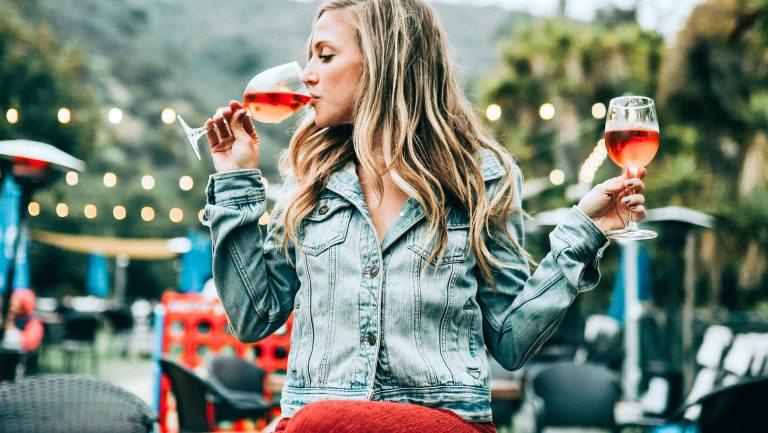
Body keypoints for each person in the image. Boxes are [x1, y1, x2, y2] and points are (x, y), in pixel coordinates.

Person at [202, 1, 646, 431]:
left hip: (438, 422)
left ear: (384, 62)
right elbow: (252, 317)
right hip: (318, 421)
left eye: (326, 55)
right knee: (316, 421)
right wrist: (235, 178)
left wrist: (582, 236)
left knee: (319, 421)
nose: (308, 76)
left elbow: (510, 342)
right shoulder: (309, 181)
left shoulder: (480, 178)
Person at [2, 288, 44, 353]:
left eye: (14, 300)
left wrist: (9, 325)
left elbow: (28, 344)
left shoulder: (33, 324)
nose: (11, 303)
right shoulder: (6, 316)